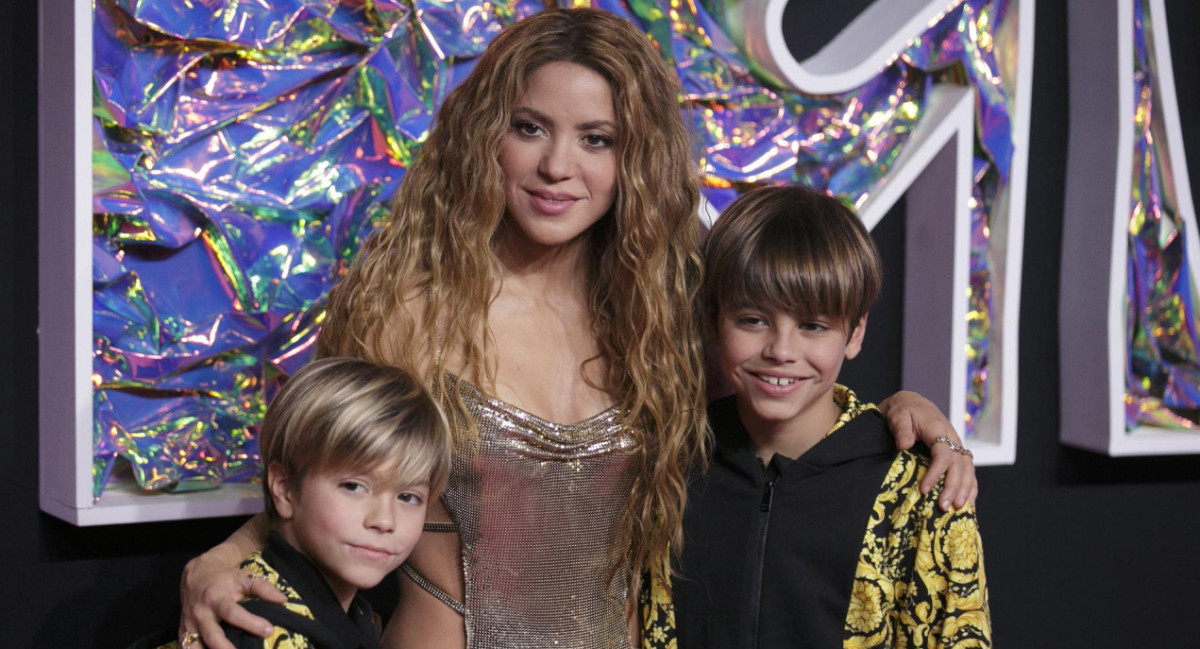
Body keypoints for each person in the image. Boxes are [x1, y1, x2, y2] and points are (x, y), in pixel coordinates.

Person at [178, 9, 979, 649]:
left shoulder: (669, 313)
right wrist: (223, 555)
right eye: (530, 128)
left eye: (596, 139)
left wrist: (901, 413)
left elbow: (783, 384)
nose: (559, 165)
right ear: (486, 135)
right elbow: (321, 480)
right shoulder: (405, 310)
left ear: (634, 157)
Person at [658, 186, 989, 648]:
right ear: (714, 319)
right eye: (753, 319)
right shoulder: (669, 465)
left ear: (854, 333)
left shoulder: (917, 490)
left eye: (813, 326)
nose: (781, 351)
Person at [173, 358, 450, 649]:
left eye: (408, 497)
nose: (384, 520)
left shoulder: (351, 613)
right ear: (285, 488)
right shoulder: (263, 627)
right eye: (354, 486)